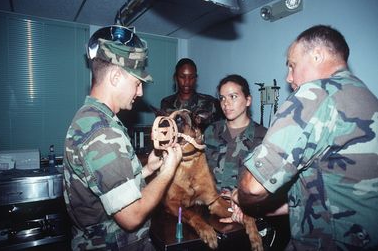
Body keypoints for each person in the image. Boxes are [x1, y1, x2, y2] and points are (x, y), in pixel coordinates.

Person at [233, 25, 378, 250]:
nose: (289, 77)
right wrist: (261, 208)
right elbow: (326, 194)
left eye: (292, 65)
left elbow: (253, 187)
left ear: (317, 56)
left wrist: (240, 197)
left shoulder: (315, 95)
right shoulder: (367, 98)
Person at [63, 25, 182, 250]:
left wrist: (147, 170)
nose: (139, 92)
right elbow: (131, 216)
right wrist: (168, 171)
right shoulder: (102, 131)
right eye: (137, 83)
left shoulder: (93, 117)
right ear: (116, 77)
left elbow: (105, 185)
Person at [204, 74, 287, 249]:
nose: (226, 103)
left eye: (233, 96)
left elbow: (273, 189)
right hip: (211, 216)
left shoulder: (264, 137)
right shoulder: (211, 131)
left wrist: (248, 209)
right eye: (222, 98)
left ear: (248, 100)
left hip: (250, 220)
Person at [160, 58, 222, 130]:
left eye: (191, 77)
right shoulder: (167, 102)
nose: (187, 82)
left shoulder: (210, 102)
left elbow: (218, 133)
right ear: (175, 78)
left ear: (196, 78)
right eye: (182, 77)